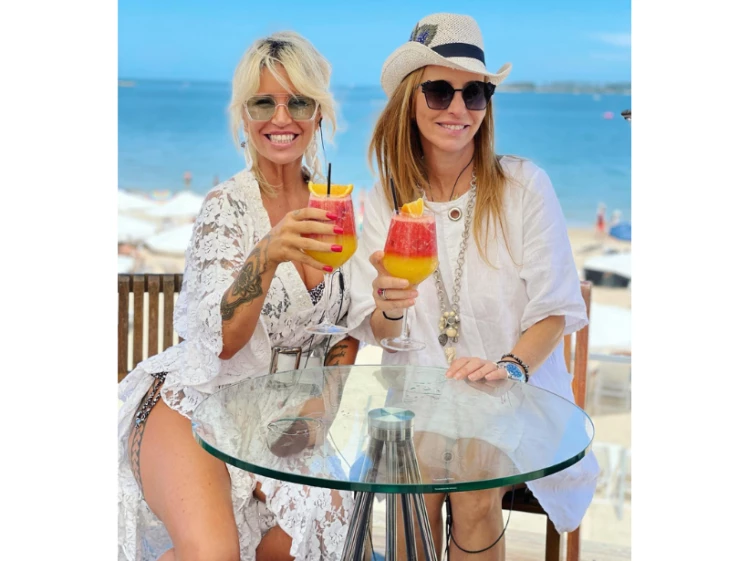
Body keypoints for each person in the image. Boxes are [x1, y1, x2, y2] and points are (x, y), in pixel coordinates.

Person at [348, 13, 599, 560]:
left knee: (474, 486)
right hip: (419, 393)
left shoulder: (523, 186)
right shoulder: (388, 199)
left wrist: (510, 367)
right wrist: (390, 306)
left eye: (475, 93)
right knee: (414, 481)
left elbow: (553, 310)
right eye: (439, 91)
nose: (458, 108)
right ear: (409, 102)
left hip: (516, 392)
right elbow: (378, 326)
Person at [118, 31, 359, 561]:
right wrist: (264, 257)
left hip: (281, 422)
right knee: (214, 554)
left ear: (319, 113)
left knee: (313, 535)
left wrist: (319, 414)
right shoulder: (224, 208)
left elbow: (346, 329)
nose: (281, 117)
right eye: (263, 102)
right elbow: (222, 343)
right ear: (244, 116)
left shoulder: (334, 206)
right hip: (195, 404)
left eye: (298, 102)